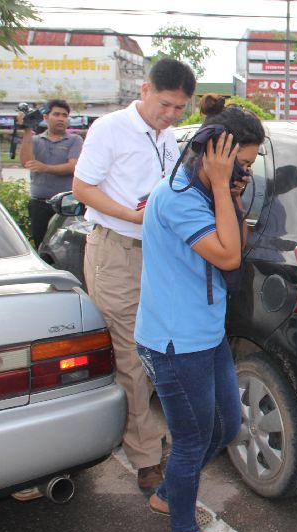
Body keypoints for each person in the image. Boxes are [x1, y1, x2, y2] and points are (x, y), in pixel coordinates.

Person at [135, 98, 264, 532]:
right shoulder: (177, 199)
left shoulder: (207, 193)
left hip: (204, 333)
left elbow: (238, 246)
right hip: (174, 341)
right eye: (241, 164)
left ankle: (167, 494)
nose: (245, 172)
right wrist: (221, 186)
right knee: (192, 441)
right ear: (216, 155)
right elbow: (228, 257)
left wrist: (229, 193)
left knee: (227, 425)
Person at [72, 58, 196, 497]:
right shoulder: (109, 128)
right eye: (166, 105)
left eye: (180, 109)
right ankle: (145, 456)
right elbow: (82, 188)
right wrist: (133, 216)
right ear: (145, 90)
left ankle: (157, 434)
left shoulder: (170, 138)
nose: (171, 115)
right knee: (130, 355)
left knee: (161, 347)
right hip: (117, 250)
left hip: (159, 255)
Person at [17, 99, 83, 244]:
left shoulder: (75, 140)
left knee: (65, 245)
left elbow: (73, 167)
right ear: (46, 117)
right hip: (39, 204)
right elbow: (25, 162)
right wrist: (27, 129)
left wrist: (44, 167)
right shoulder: (35, 140)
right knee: (41, 243)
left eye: (64, 115)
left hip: (66, 206)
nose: (61, 118)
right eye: (56, 114)